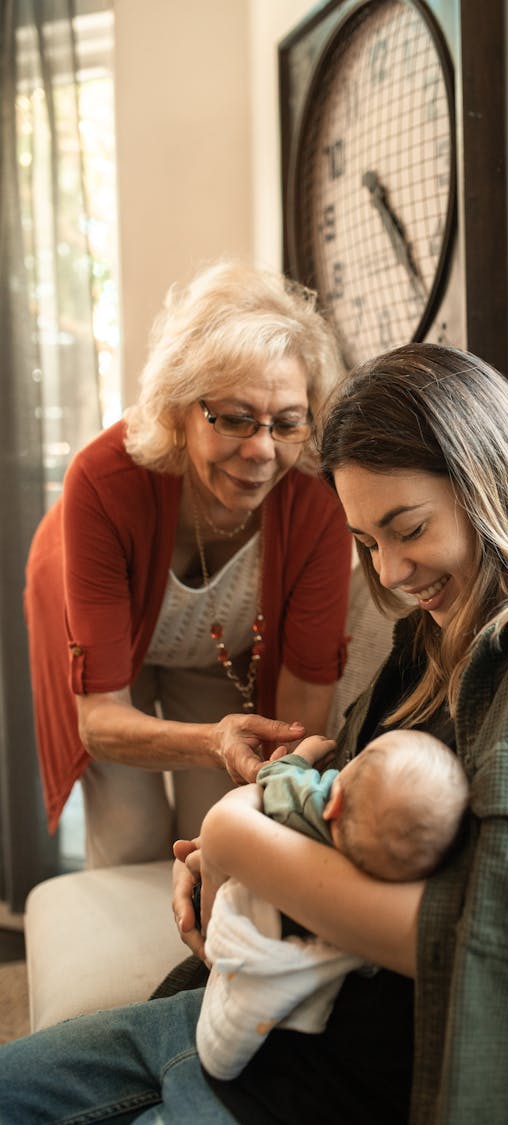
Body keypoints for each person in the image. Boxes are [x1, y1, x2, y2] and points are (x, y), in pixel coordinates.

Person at [3, 342, 508, 1124]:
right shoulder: (431, 644)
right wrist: (231, 859)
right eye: (367, 542)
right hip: (235, 1023)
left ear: (487, 483)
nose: (389, 573)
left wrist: (231, 835)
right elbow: (329, 791)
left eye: (408, 528)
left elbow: (483, 943)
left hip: (322, 1087)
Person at [24, 258, 353, 866]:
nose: (261, 451)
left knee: (223, 823)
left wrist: (271, 810)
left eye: (286, 422)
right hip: (103, 641)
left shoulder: (319, 497)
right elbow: (100, 720)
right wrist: (213, 740)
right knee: (131, 833)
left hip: (217, 654)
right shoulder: (103, 480)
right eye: (233, 418)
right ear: (179, 408)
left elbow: (303, 708)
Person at [197, 729, 469, 1080]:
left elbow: (273, 776)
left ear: (336, 800)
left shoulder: (312, 801)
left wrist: (304, 756)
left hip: (260, 921)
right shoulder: (399, 874)